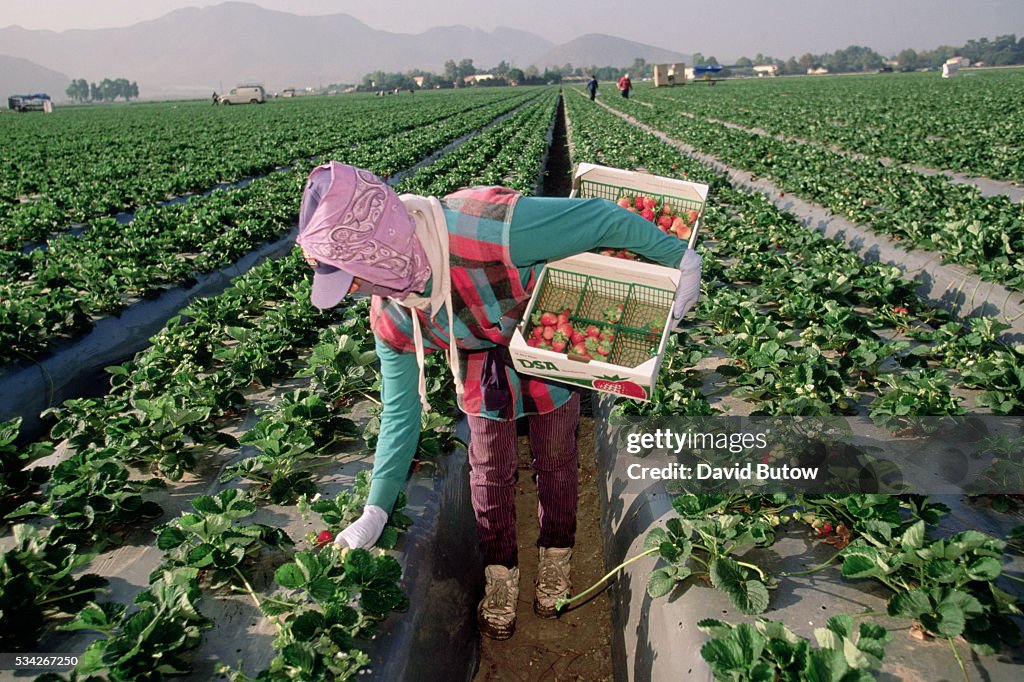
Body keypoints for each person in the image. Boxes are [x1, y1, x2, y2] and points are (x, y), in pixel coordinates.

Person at [296, 162, 701, 640]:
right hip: (479, 362)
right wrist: (375, 510)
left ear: (376, 250)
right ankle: (500, 572)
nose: (355, 291)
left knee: (555, 456)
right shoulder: (396, 314)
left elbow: (603, 217)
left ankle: (556, 556)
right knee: (489, 468)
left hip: (545, 336)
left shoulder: (486, 227)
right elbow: (401, 412)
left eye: (352, 278)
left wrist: (681, 259)